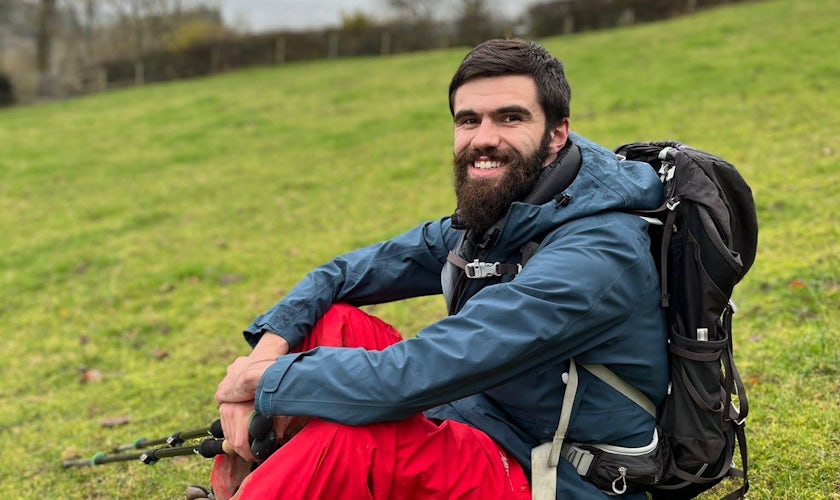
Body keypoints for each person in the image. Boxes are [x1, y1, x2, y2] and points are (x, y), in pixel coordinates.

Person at [199, 38, 669, 500]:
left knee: (357, 440)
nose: (484, 138)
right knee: (331, 323)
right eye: (469, 120)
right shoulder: (509, 215)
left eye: (510, 117)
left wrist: (260, 382)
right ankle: (258, 479)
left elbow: (408, 377)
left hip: (556, 472)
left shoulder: (597, 255)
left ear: (557, 133)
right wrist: (265, 356)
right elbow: (342, 274)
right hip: (485, 417)